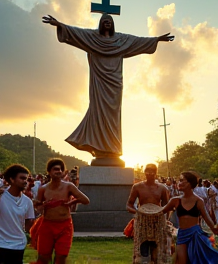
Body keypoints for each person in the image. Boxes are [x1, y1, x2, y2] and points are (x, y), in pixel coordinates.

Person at [42, 14, 174, 165]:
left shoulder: (121, 40)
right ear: (100, 23)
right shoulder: (91, 38)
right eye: (104, 21)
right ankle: (101, 149)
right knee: (98, 112)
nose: (106, 23)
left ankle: (112, 149)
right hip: (99, 82)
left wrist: (156, 39)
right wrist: (60, 24)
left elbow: (138, 41)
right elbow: (76, 32)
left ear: (112, 24)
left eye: (109, 21)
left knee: (113, 116)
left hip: (114, 84)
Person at [32, 158, 90, 264]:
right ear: (49, 172)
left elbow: (86, 200)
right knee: (43, 257)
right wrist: (41, 204)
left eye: (60, 169)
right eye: (55, 169)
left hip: (65, 226)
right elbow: (39, 209)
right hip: (47, 225)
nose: (58, 171)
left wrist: (70, 202)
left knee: (61, 257)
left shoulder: (68, 186)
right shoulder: (43, 189)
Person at [162, 171, 218, 264]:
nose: (179, 183)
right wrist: (143, 211)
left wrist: (217, 230)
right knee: (181, 261)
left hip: (195, 234)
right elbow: (160, 212)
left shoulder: (199, 201)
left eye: (181, 180)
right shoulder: (175, 200)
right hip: (181, 235)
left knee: (195, 261)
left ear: (190, 183)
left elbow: (208, 219)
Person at [126, 163, 171, 264]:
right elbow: (129, 205)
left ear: (156, 173)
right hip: (143, 223)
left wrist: (165, 219)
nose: (150, 173)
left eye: (152, 171)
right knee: (142, 253)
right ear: (144, 172)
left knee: (157, 251)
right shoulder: (137, 187)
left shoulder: (162, 188)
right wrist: (138, 212)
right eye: (147, 171)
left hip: (157, 222)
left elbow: (166, 206)